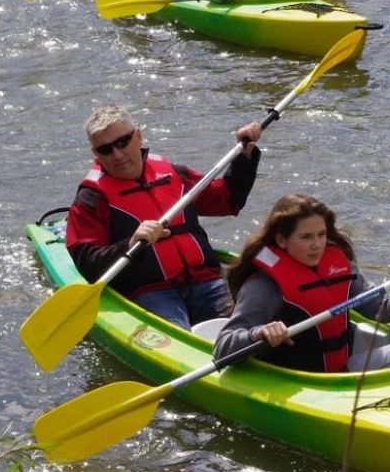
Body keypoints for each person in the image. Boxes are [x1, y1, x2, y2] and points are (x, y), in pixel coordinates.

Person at [65, 104, 261, 329]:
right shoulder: (91, 197)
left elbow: (227, 200)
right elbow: (87, 263)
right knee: (180, 334)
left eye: (122, 142)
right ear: (96, 153)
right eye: (105, 149)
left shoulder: (173, 173)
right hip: (149, 292)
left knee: (249, 325)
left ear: (138, 135)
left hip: (205, 280)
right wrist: (129, 244)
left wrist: (245, 154)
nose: (117, 154)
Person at [214, 193, 390, 373]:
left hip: (342, 371)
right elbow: (223, 347)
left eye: (321, 234)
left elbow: (379, 310)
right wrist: (259, 333)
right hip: (299, 380)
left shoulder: (337, 264)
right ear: (281, 240)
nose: (317, 245)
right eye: (306, 237)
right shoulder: (263, 285)